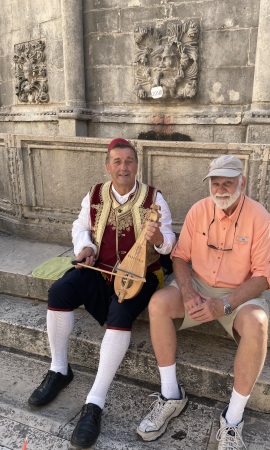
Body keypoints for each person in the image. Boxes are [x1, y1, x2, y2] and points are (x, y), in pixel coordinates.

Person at [28, 138, 176, 449]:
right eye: (117, 162)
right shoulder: (95, 194)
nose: (124, 167)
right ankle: (59, 369)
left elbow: (170, 244)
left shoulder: (154, 198)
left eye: (129, 161)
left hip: (140, 276)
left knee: (120, 314)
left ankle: (94, 402)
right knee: (60, 291)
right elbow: (80, 226)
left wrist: (159, 236)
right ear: (108, 166)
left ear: (137, 166)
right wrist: (85, 249)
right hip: (100, 269)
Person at [137, 155, 270, 449]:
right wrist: (188, 292)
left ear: (243, 181)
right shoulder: (199, 210)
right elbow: (180, 256)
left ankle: (233, 419)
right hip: (198, 286)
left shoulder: (261, 218)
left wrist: (224, 304)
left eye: (228, 181)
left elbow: (264, 277)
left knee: (258, 323)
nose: (221, 188)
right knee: (159, 304)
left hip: (238, 294)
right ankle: (171, 395)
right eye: (216, 182)